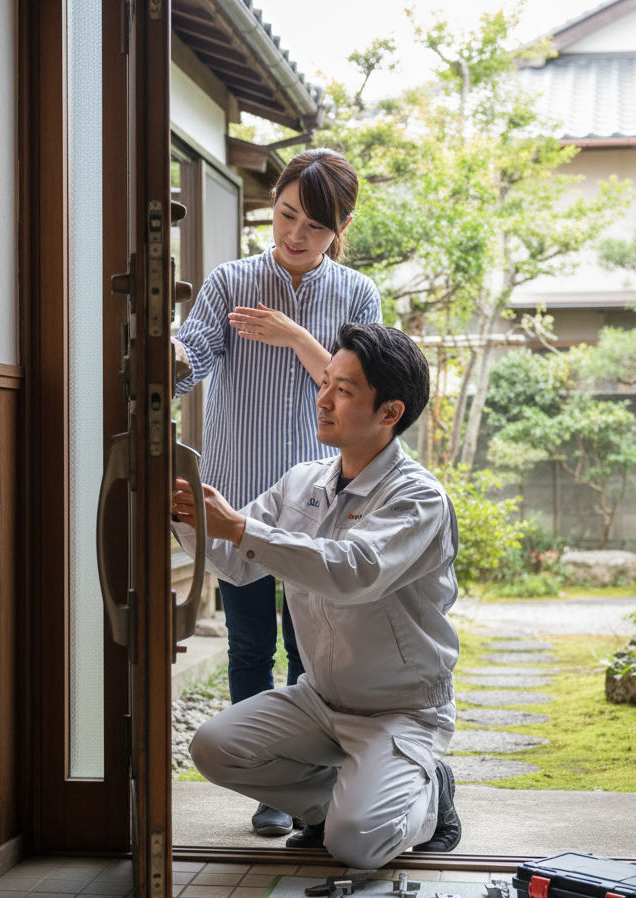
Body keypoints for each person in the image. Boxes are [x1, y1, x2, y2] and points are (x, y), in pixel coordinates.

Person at [171, 323, 462, 868]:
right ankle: (338, 804)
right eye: (325, 382)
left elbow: (354, 572)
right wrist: (188, 515)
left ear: (390, 413)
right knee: (213, 747)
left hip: (400, 711)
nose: (322, 399)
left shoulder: (417, 498)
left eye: (343, 389)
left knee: (357, 847)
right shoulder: (302, 481)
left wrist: (239, 528)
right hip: (321, 700)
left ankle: (428, 796)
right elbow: (235, 565)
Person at [172, 149, 382, 837]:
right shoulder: (232, 280)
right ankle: (266, 784)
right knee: (248, 644)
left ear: (340, 227)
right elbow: (195, 350)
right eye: (286, 215)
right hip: (238, 499)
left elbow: (359, 391)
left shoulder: (357, 295)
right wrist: (166, 357)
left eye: (315, 226)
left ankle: (312, 781)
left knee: (314, 650)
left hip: (324, 506)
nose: (295, 234)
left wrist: (293, 335)